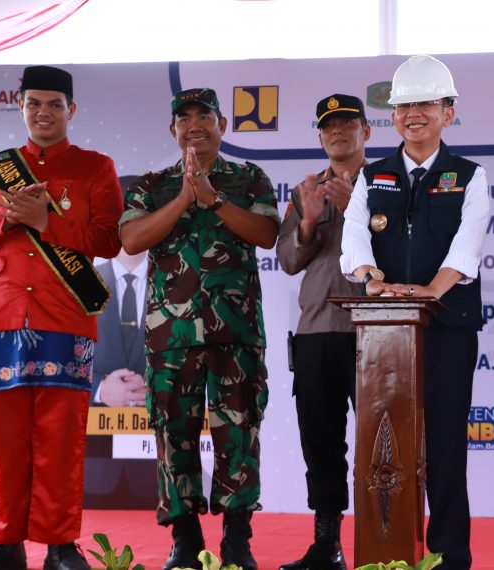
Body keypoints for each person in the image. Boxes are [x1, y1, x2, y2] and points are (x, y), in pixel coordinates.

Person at [0, 65, 123, 570]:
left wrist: (47, 221)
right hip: (0, 314)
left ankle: (60, 546)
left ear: (70, 110)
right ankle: (6, 545)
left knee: (61, 440)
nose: (43, 113)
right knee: (4, 441)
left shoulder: (96, 166)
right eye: (33, 104)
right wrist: (4, 216)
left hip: (65, 315)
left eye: (53, 105)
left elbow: (108, 240)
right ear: (21, 107)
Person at [340, 54, 490, 570]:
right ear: (392, 116)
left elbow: (466, 252)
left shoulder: (469, 176)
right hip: (381, 333)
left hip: (447, 328)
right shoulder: (372, 175)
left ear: (448, 113)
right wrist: (374, 283)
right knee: (386, 450)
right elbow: (353, 244)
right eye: (404, 105)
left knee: (445, 448)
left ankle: (450, 559)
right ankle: (389, 555)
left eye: (426, 103)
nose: (414, 114)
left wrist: (425, 292)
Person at [120, 87, 279, 570]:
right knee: (174, 435)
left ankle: (236, 541)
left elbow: (267, 234)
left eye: (204, 117)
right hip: (171, 338)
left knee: (239, 434)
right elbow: (131, 239)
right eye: (184, 118)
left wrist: (212, 200)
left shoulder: (249, 178)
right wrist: (185, 198)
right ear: (173, 130)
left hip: (237, 334)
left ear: (222, 125)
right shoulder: (151, 183)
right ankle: (185, 540)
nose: (194, 125)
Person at [277, 94, 370, 570]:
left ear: (366, 132)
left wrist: (358, 207)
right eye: (329, 126)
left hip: (376, 333)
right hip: (316, 333)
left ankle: (383, 545)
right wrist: (308, 221)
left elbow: (402, 253)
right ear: (319, 136)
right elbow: (290, 261)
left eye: (347, 123)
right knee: (321, 443)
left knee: (382, 445)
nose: (338, 132)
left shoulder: (390, 183)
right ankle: (327, 545)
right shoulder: (306, 189)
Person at [84, 194, 156, 508]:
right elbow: (59, 358)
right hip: (92, 459)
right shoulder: (81, 281)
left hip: (161, 461)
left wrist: (157, 385)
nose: (129, 227)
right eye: (122, 218)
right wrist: (99, 389)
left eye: (139, 218)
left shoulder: (176, 280)